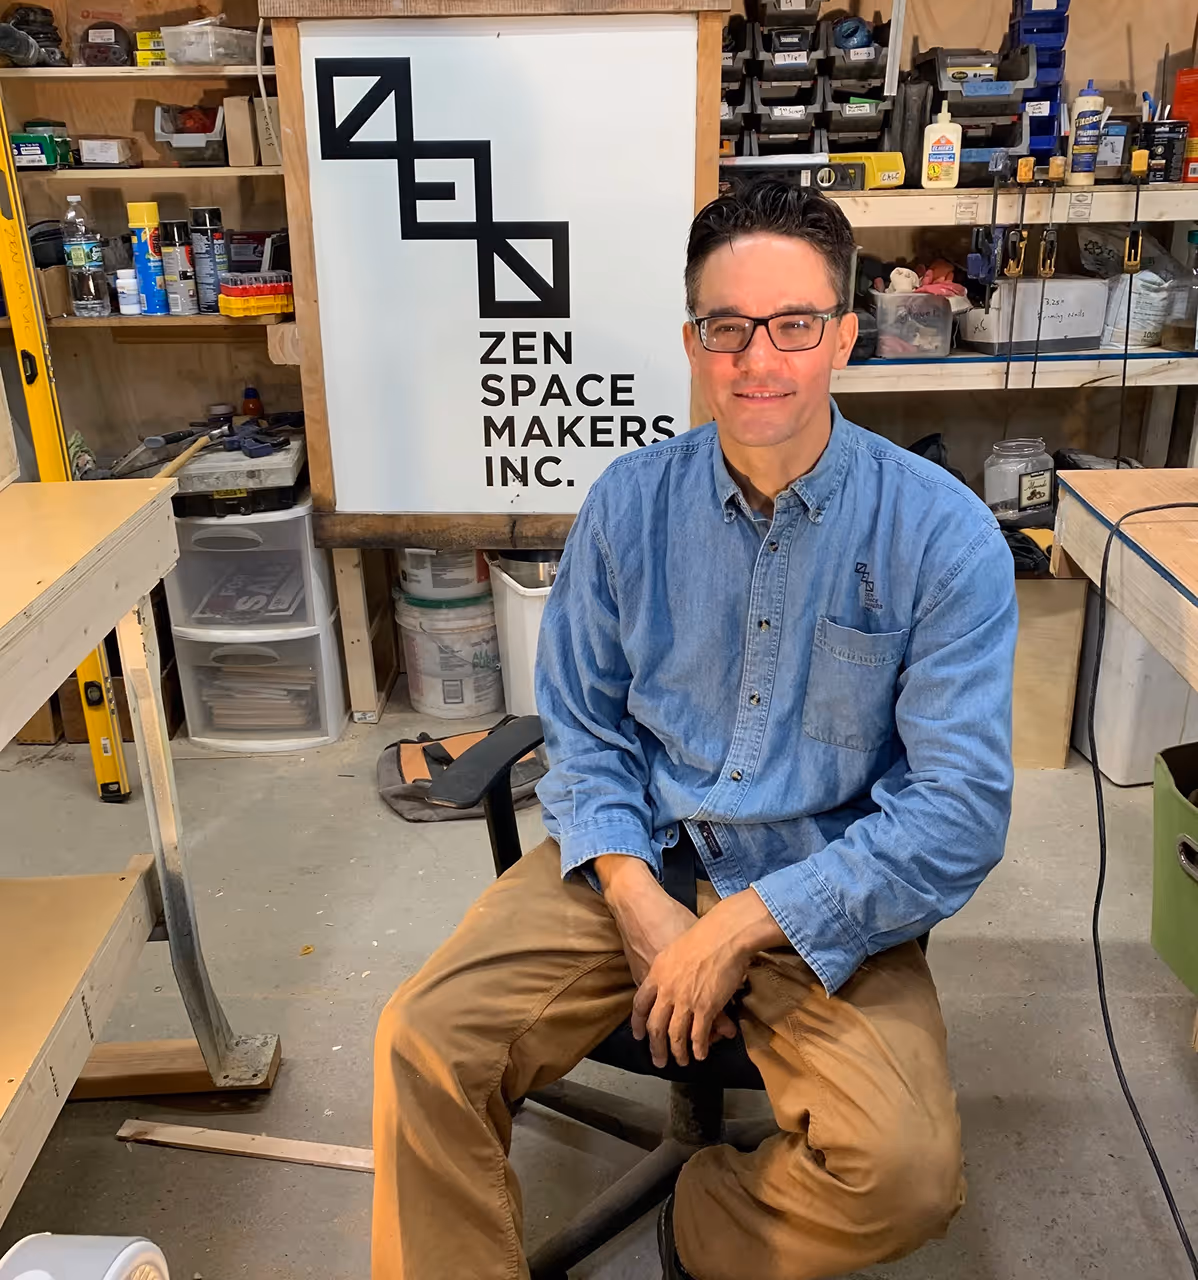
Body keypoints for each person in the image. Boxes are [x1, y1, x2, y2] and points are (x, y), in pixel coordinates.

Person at [373, 179, 1018, 1280]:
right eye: (727, 328)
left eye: (793, 325)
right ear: (693, 340)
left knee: (904, 1174)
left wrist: (734, 927)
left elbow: (955, 811)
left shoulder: (939, 533)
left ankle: (706, 1217)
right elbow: (581, 726)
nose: (756, 359)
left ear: (845, 337)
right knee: (423, 1041)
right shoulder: (628, 505)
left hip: (825, 887)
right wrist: (635, 896)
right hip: (639, 852)